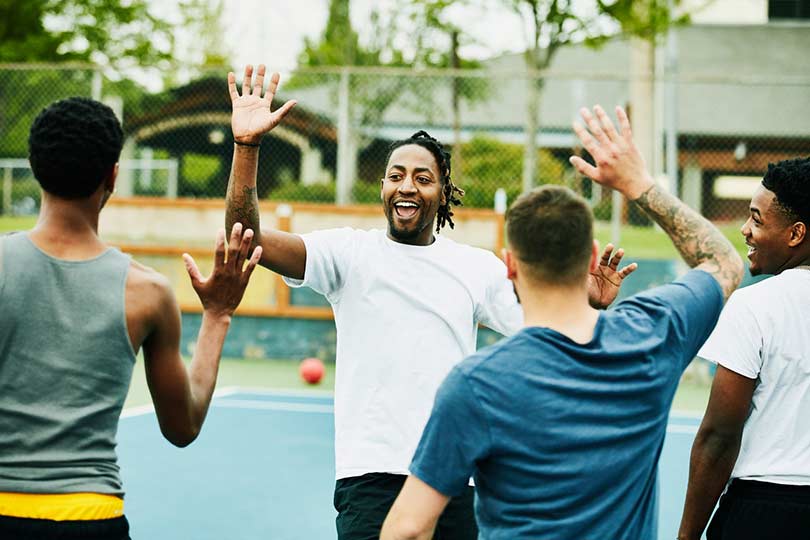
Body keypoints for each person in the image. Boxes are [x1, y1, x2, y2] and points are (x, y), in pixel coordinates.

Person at [223, 66, 638, 539]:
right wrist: (247, 147)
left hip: (453, 477)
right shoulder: (348, 254)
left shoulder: (476, 268)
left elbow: (547, 329)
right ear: (382, 188)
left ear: (443, 193)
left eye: (423, 178)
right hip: (370, 478)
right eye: (395, 176)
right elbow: (246, 233)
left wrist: (587, 301)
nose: (406, 186)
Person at [380, 104, 744, 540]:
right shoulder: (650, 337)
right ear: (592, 258)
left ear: (510, 266)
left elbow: (407, 529)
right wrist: (637, 183)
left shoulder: (475, 384)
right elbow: (723, 261)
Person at [0, 97, 262, 539]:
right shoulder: (147, 293)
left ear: (33, 165)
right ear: (113, 176)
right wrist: (217, 315)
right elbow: (184, 425)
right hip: (91, 518)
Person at [677, 157, 810, 540]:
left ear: (796, 234)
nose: (745, 230)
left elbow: (719, 435)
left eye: (756, 219)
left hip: (764, 509)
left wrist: (687, 536)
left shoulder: (756, 305)